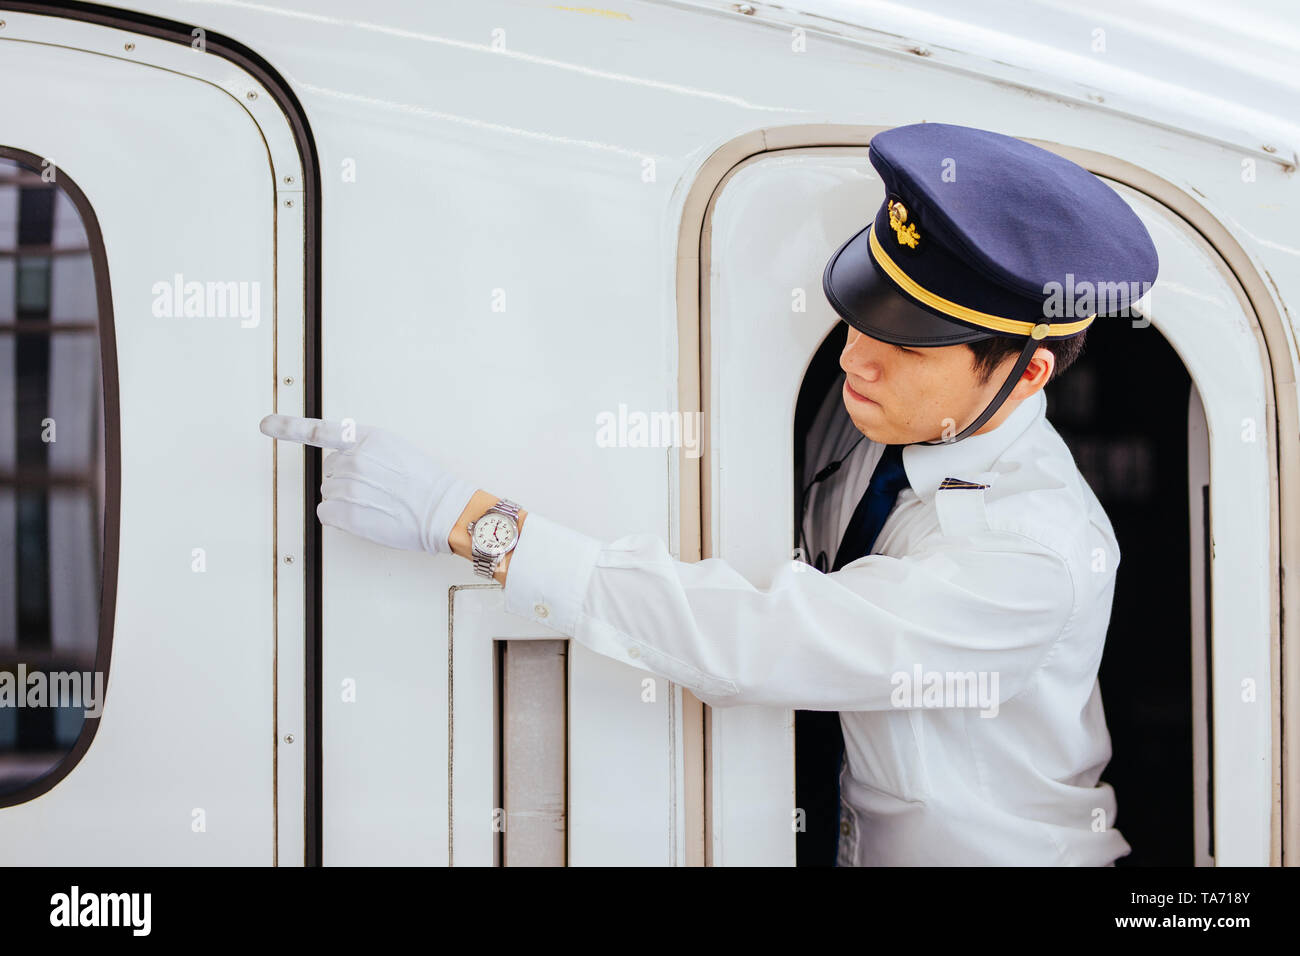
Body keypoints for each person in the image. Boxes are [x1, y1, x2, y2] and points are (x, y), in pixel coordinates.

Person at [259, 122, 1158, 866]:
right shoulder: (875, 413)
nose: (855, 356)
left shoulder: (1029, 552)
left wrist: (468, 522)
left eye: (911, 346)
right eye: (861, 315)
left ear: (1029, 371)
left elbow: (757, 640)